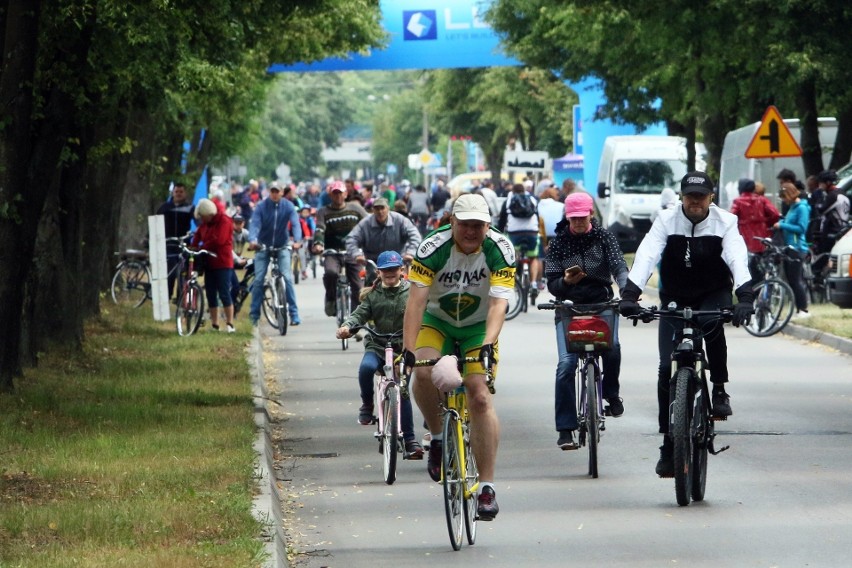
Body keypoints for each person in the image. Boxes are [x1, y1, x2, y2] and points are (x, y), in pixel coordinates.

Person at [618, 171, 754, 478]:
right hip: (676, 295)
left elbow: (736, 257)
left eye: (701, 197)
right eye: (690, 196)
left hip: (713, 291)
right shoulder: (666, 220)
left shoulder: (726, 222)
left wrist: (744, 296)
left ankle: (718, 388)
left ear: (711, 198)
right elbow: (647, 254)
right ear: (681, 197)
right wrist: (630, 294)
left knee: (712, 323)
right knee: (667, 368)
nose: (695, 202)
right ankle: (669, 445)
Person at [402, 193, 516, 521]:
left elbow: (498, 305)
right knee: (423, 373)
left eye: (478, 225)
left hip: (478, 327)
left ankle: (487, 488)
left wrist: (488, 343)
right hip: (436, 321)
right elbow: (416, 303)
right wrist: (409, 350)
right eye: (464, 224)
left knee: (479, 396)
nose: (470, 231)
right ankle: (438, 437)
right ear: (451, 221)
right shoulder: (432, 248)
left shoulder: (500, 249)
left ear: (488, 225)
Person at [545, 192, 628, 450]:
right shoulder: (558, 243)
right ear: (567, 218)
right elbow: (551, 282)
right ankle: (566, 428)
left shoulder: (605, 237)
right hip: (569, 307)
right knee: (566, 365)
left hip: (601, 304)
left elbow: (618, 266)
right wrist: (566, 282)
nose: (579, 223)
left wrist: (627, 292)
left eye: (583, 217)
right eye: (574, 219)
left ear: (591, 214)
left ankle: (611, 395)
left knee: (612, 350)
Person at [336, 251, 424, 459]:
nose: (390, 273)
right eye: (386, 270)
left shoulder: (411, 293)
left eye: (394, 269)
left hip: (403, 349)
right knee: (366, 368)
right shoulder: (372, 295)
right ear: (379, 272)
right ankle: (367, 404)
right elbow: (359, 315)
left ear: (402, 270)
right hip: (377, 345)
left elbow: (423, 312)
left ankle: (410, 440)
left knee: (402, 388)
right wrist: (348, 327)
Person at [247, 182, 303, 327]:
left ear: (282, 193)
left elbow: (295, 223)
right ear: (269, 192)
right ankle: (254, 316)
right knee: (259, 279)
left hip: (282, 245)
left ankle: (294, 314)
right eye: (272, 191)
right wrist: (253, 240)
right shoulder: (261, 206)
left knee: (287, 277)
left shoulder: (288, 206)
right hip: (263, 246)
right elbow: (255, 224)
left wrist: (297, 240)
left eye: (277, 191)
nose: (274, 194)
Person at [312, 181, 368, 316]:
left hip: (353, 252)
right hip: (332, 252)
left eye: (340, 193)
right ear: (330, 195)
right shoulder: (323, 212)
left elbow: (368, 224)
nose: (338, 196)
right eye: (335, 193)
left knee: (358, 287)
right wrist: (318, 244)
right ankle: (331, 298)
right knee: (330, 273)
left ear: (346, 194)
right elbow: (319, 229)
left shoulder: (355, 208)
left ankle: (356, 319)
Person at [345, 197, 421, 285]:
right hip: (374, 264)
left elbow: (415, 235)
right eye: (377, 209)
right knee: (367, 291)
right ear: (373, 210)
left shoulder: (400, 220)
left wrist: (410, 253)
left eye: (382, 208)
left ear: (388, 208)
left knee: (405, 289)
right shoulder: (365, 223)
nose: (380, 212)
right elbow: (351, 238)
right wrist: (356, 255)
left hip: (397, 261)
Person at [190, 199, 236, 332]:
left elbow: (219, 240)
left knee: (224, 292)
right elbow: (198, 234)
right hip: (209, 262)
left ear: (209, 214)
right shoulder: (205, 224)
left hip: (222, 262)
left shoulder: (225, 222)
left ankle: (230, 323)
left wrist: (202, 247)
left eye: (203, 217)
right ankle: (215, 324)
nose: (202, 220)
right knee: (210, 293)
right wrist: (193, 246)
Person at [498, 182, 543, 299]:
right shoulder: (532, 199)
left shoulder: (508, 201)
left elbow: (502, 220)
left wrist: (499, 233)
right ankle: (533, 283)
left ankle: (513, 279)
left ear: (512, 191)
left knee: (512, 255)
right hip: (531, 232)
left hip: (514, 233)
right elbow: (537, 216)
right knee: (533, 257)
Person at [730, 178, 780, 280]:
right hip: (762, 237)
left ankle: (753, 290)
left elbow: (731, 218)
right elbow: (775, 213)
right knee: (762, 265)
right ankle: (763, 289)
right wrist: (767, 222)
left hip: (745, 238)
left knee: (749, 267)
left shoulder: (738, 201)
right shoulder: (762, 199)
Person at [774, 182, 812, 318]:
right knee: (792, 280)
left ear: (789, 195)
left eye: (784, 197)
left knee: (796, 280)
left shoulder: (802, 208)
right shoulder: (792, 207)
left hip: (797, 247)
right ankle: (798, 308)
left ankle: (803, 309)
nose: (784, 200)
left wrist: (782, 225)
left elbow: (801, 228)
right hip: (789, 247)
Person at [156, 182, 194, 299]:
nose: (178, 194)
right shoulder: (164, 207)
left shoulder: (190, 208)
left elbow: (199, 222)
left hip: (184, 244)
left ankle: (181, 298)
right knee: (170, 273)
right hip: (168, 244)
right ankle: (166, 296)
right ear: (172, 193)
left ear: (185, 193)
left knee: (183, 273)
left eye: (181, 192)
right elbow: (156, 222)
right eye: (176, 191)